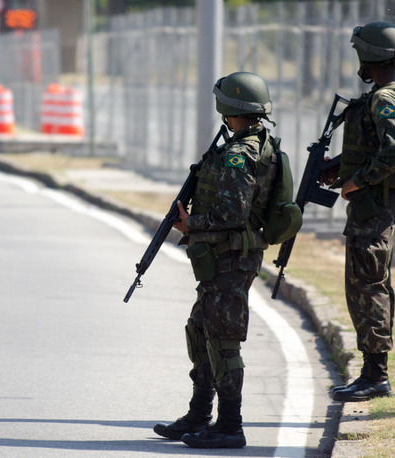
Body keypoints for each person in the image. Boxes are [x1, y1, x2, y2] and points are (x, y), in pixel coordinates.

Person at [152, 72, 276, 448]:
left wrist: (192, 224)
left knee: (223, 342)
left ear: (229, 108)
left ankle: (229, 426)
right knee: (200, 330)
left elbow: (233, 214)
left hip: (231, 259)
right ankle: (200, 413)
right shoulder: (251, 144)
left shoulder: (240, 154)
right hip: (223, 259)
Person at [323, 21, 395, 402]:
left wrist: (360, 180)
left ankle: (375, 375)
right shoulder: (387, 95)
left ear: (369, 57)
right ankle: (371, 372)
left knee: (368, 284)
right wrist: (341, 166)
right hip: (374, 203)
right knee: (367, 282)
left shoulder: (385, 98)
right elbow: (375, 145)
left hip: (376, 204)